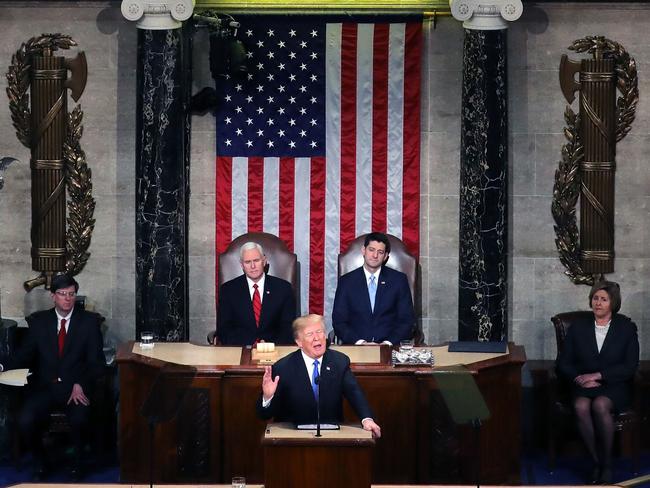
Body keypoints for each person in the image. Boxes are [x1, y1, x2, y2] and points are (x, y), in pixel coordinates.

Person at [0, 274, 105, 480]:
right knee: (25, 419)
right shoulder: (40, 322)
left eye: (71, 294)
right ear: (53, 296)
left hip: (74, 388)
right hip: (46, 388)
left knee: (80, 418)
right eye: (63, 294)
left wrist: (80, 384)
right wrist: (2, 365)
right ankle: (41, 461)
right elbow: (23, 355)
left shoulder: (89, 323)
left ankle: (77, 465)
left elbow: (96, 363)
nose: (68, 299)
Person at [557, 281, 639, 484]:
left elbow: (630, 366)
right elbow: (563, 362)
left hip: (614, 384)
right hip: (583, 384)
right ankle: (597, 462)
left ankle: (608, 464)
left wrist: (599, 375)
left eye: (603, 299)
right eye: (595, 298)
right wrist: (579, 378)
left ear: (613, 303)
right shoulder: (579, 327)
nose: (598, 303)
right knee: (581, 405)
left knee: (601, 404)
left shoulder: (626, 328)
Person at [257, 314, 381, 438]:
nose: (317, 338)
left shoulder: (339, 362)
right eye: (310, 334)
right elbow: (264, 415)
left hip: (332, 437)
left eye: (320, 331)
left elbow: (354, 393)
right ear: (299, 342)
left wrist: (367, 419)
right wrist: (268, 397)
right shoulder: (283, 367)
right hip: (294, 438)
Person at [332, 232, 415, 345]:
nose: (375, 255)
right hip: (356, 346)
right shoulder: (346, 282)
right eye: (371, 250)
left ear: (385, 256)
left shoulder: (398, 280)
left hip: (389, 347)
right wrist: (360, 342)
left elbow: (406, 321)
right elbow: (339, 322)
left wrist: (387, 343)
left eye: (380, 252)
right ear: (363, 251)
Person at [216, 241, 296, 345]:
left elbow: (288, 328)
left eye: (256, 260)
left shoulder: (283, 288)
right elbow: (224, 329)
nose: (253, 266)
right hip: (240, 348)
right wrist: (250, 344)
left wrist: (268, 345)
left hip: (274, 348)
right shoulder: (228, 290)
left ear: (264, 261)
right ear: (242, 265)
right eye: (248, 262)